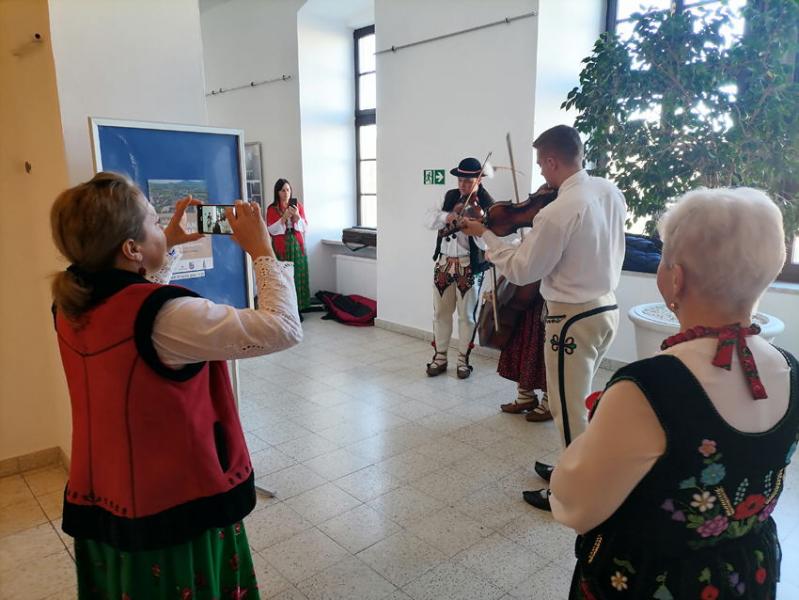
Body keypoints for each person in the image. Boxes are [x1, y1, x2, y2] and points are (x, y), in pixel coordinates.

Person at [51, 172, 302, 599]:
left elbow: (134, 310)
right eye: (154, 222)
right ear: (130, 248)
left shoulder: (71, 302)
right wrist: (262, 249)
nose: (162, 228)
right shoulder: (168, 316)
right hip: (172, 507)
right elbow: (283, 328)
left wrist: (163, 244)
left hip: (104, 496)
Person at [550, 188, 794, 599]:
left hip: (655, 582)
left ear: (675, 279)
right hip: (748, 574)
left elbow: (576, 503)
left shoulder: (651, 387)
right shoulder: (790, 368)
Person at [461, 125, 626, 510]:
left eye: (540, 164)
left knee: (566, 410)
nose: (539, 172)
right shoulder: (608, 190)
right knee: (579, 401)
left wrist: (488, 236)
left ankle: (572, 492)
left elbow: (522, 271)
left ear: (552, 161)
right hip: (605, 308)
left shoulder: (558, 210)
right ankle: (573, 468)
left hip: (571, 319)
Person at [425, 157, 494, 379]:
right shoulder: (449, 197)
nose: (463, 185)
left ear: (479, 180)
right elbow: (428, 219)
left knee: (467, 316)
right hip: (444, 263)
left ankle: (463, 359)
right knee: (441, 313)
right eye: (460, 180)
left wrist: (474, 229)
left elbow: (490, 242)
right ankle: (440, 356)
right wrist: (448, 216)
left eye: (468, 181)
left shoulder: (487, 205)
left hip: (469, 266)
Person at [266, 178, 310, 311]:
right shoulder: (272, 209)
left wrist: (297, 217)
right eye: (283, 190)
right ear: (277, 192)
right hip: (281, 246)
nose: (286, 193)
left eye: (288, 190)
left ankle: (299, 308)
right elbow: (271, 230)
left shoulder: (298, 206)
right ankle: (285, 308)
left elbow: (305, 228)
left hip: (296, 244)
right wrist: (284, 217)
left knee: (298, 274)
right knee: (283, 277)